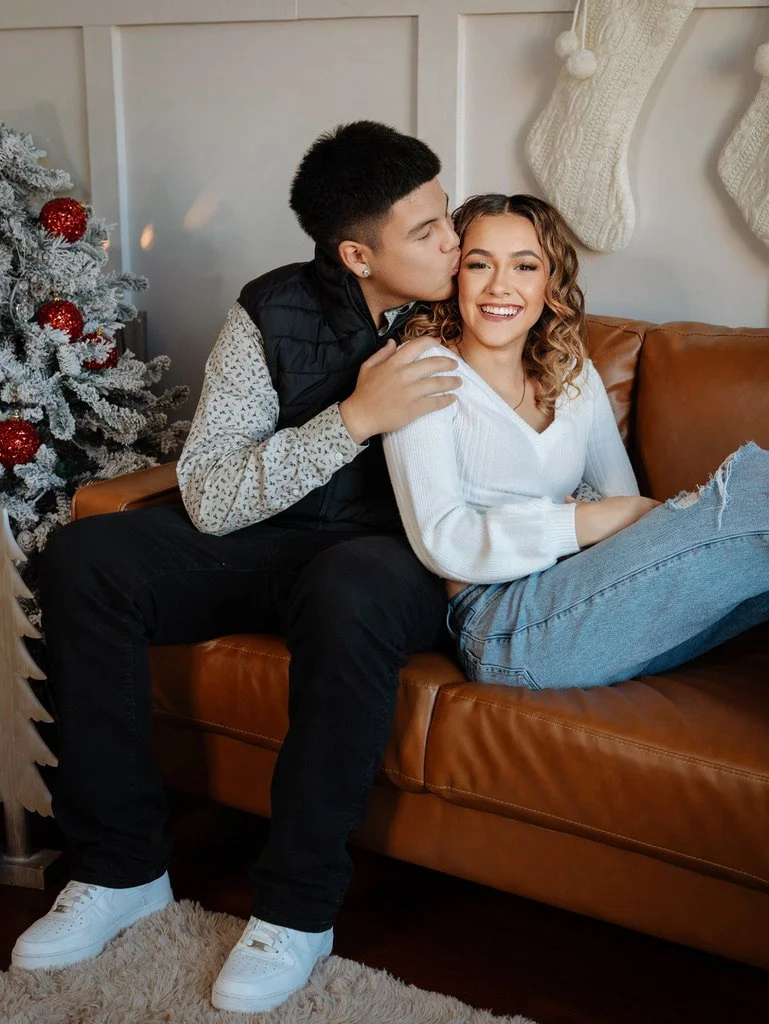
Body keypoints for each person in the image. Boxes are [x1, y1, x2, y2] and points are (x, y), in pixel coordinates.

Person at [12, 121, 463, 1014]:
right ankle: (120, 868)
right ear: (355, 255)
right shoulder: (270, 312)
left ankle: (295, 912)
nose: (453, 242)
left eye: (445, 218)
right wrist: (353, 420)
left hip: (388, 557)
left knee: (348, 588)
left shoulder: (473, 297)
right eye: (426, 232)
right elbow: (213, 496)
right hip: (264, 537)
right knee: (86, 557)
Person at [383, 193, 769, 691]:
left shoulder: (575, 375)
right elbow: (445, 541)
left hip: (591, 597)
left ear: (550, 281)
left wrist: (606, 517)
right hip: (503, 627)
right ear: (456, 275)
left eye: (525, 266)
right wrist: (585, 520)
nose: (500, 286)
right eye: (479, 264)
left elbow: (622, 506)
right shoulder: (423, 371)